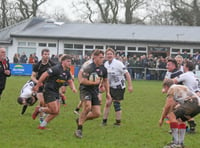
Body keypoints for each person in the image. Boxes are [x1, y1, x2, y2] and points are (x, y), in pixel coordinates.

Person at [32, 54, 77, 129]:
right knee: (53, 110)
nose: (70, 63)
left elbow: (70, 81)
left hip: (56, 91)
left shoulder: (67, 71)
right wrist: (37, 85)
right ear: (62, 62)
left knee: (56, 112)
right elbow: (44, 75)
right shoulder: (56, 68)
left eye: (70, 61)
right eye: (68, 61)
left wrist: (73, 88)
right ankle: (39, 109)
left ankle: (42, 126)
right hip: (49, 90)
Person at [74, 49, 111, 138]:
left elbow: (106, 81)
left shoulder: (103, 69)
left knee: (97, 114)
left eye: (103, 57)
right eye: (100, 57)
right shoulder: (89, 68)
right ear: (95, 57)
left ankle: (80, 119)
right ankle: (79, 129)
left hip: (95, 91)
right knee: (87, 107)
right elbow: (82, 81)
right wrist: (94, 83)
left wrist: (108, 93)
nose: (103, 59)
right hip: (85, 89)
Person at [159, 79, 200, 148]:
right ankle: (180, 143)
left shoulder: (171, 89)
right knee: (180, 120)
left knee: (171, 117)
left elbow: (167, 106)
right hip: (198, 104)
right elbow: (174, 105)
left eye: (164, 88)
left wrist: (161, 119)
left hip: (191, 103)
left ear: (166, 86)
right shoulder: (180, 87)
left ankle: (175, 143)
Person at [102, 48, 133, 126]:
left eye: (110, 54)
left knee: (116, 104)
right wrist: (101, 85)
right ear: (105, 56)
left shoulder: (118, 63)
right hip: (110, 87)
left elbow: (127, 74)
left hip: (119, 87)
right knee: (108, 103)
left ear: (114, 55)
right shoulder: (105, 64)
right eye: (108, 54)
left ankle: (118, 122)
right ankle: (104, 121)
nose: (109, 55)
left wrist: (130, 85)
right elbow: (104, 77)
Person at [173, 60, 200, 133]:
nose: (183, 67)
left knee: (175, 112)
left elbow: (174, 81)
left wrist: (167, 81)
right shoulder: (195, 76)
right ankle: (191, 126)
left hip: (190, 100)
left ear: (186, 67)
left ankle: (181, 128)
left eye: (184, 65)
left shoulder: (186, 75)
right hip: (196, 100)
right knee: (184, 112)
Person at [31, 49, 56, 123]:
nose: (47, 56)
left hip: (49, 87)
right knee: (42, 102)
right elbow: (32, 77)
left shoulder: (52, 64)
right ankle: (41, 119)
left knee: (46, 104)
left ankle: (39, 112)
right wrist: (38, 82)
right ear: (42, 55)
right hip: (39, 86)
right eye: (45, 54)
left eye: (48, 54)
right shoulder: (37, 65)